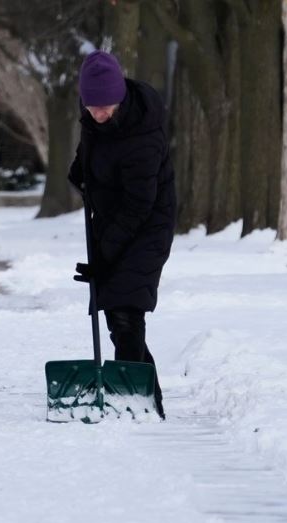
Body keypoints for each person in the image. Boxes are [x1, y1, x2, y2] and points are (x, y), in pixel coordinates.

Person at [68, 51, 176, 420]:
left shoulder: (143, 135)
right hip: (113, 222)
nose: (98, 113)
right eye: (92, 106)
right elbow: (92, 146)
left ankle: (134, 402)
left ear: (120, 97)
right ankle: (148, 399)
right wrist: (79, 169)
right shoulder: (94, 118)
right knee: (117, 317)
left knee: (128, 314)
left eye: (106, 106)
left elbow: (138, 206)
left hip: (147, 227)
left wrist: (104, 257)